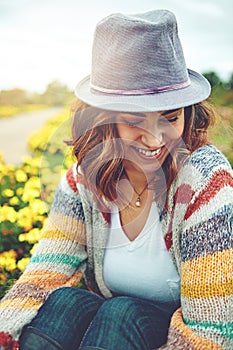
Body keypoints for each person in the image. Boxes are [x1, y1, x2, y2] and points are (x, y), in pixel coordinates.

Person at [0, 9, 232, 350]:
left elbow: (211, 333)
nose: (155, 140)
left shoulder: (206, 181)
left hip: (175, 335)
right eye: (135, 121)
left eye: (170, 118)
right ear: (104, 121)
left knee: (122, 312)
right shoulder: (84, 181)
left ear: (188, 112)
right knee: (66, 303)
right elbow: (47, 271)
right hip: (106, 334)